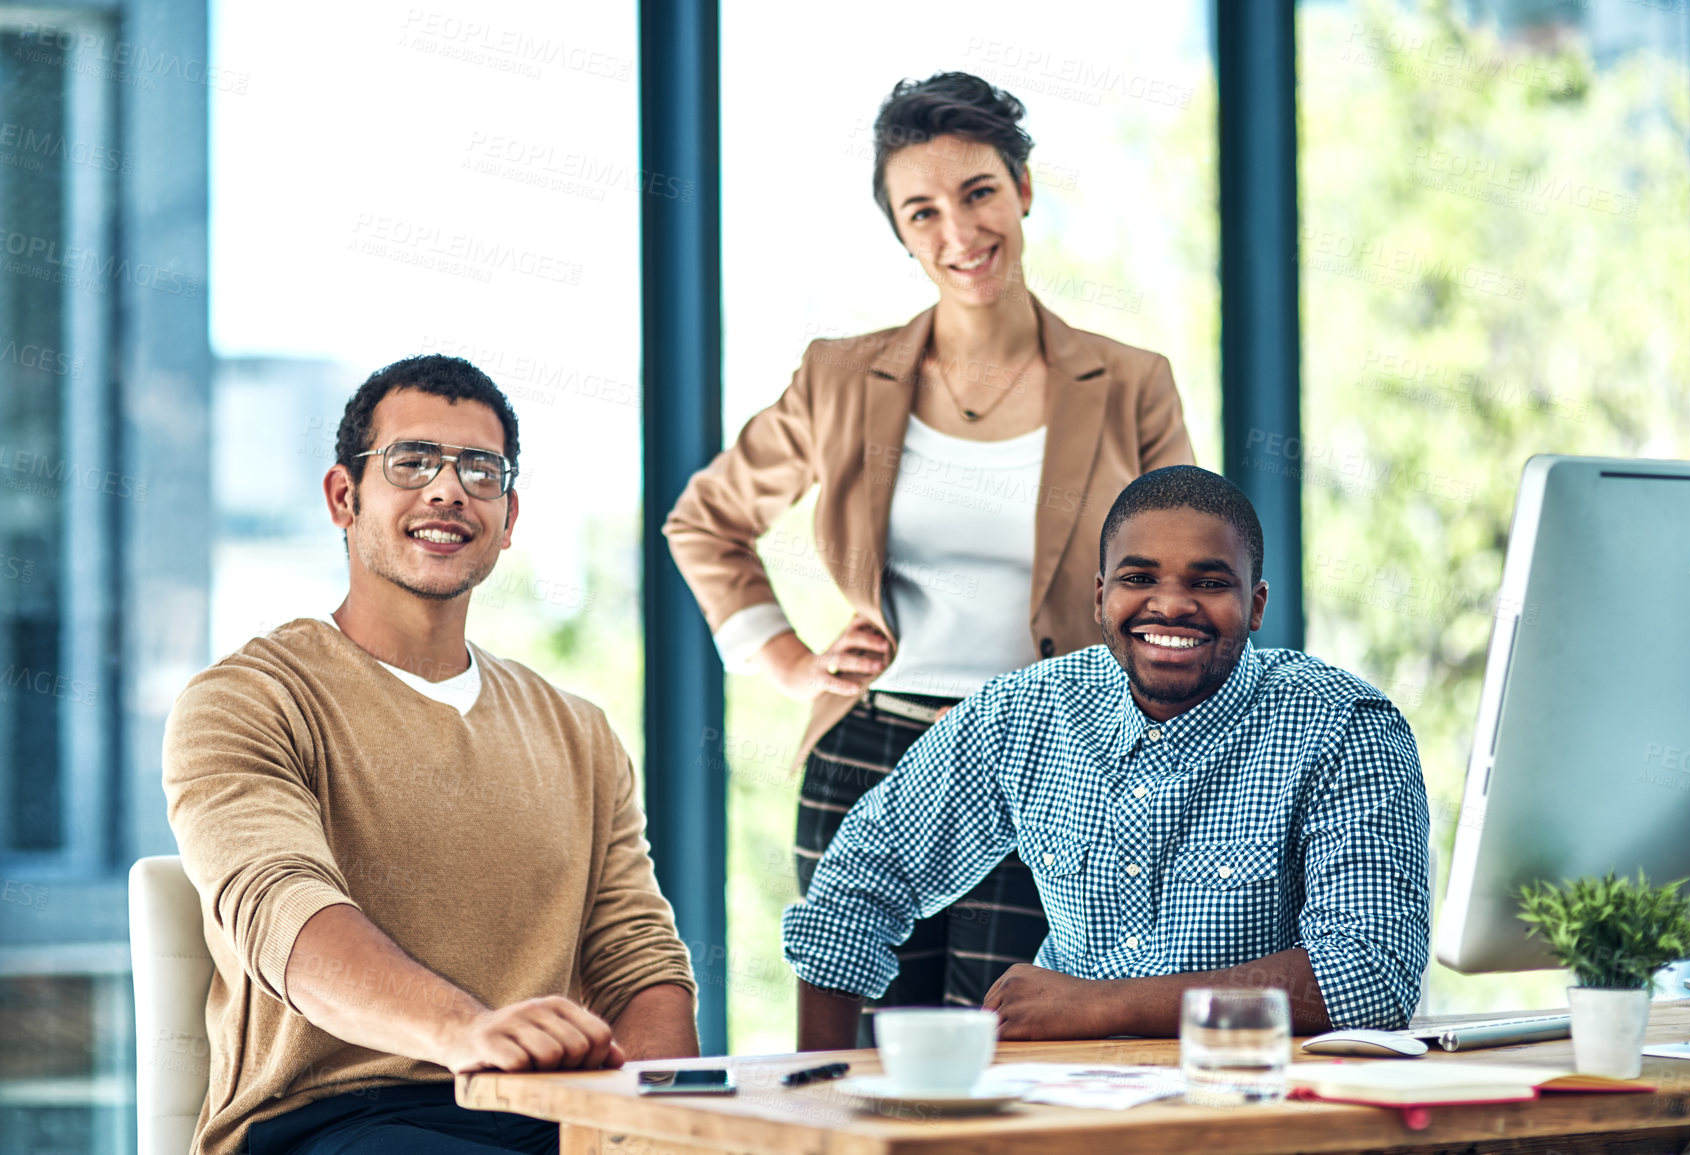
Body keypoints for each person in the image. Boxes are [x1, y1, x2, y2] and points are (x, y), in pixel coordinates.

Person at [665, 72, 1194, 1035]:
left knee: (1020, 1057)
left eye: (979, 191)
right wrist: (790, 662)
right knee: (858, 1070)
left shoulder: (1129, 384)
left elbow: (1184, 578)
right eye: (923, 209)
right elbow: (705, 522)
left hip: (1054, 763)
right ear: (902, 234)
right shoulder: (839, 376)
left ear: (1022, 189)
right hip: (868, 756)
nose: (958, 229)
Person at [163, 356, 698, 1155]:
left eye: (479, 470)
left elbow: (639, 960)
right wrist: (471, 1032)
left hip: (551, 1120)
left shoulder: (580, 731)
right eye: (412, 462)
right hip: (333, 1121)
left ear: (508, 516)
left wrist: (649, 1127)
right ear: (344, 497)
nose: (448, 490)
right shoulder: (247, 699)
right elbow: (285, 917)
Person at [785, 466, 1430, 1049]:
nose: (1172, 604)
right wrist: (816, 1099)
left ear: (1256, 604)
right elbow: (854, 889)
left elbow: (1370, 976)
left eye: (1209, 582)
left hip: (1259, 1111)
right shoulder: (1023, 712)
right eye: (1138, 577)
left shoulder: (1345, 728)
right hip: (1061, 1114)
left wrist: (1102, 1005)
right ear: (1100, 597)